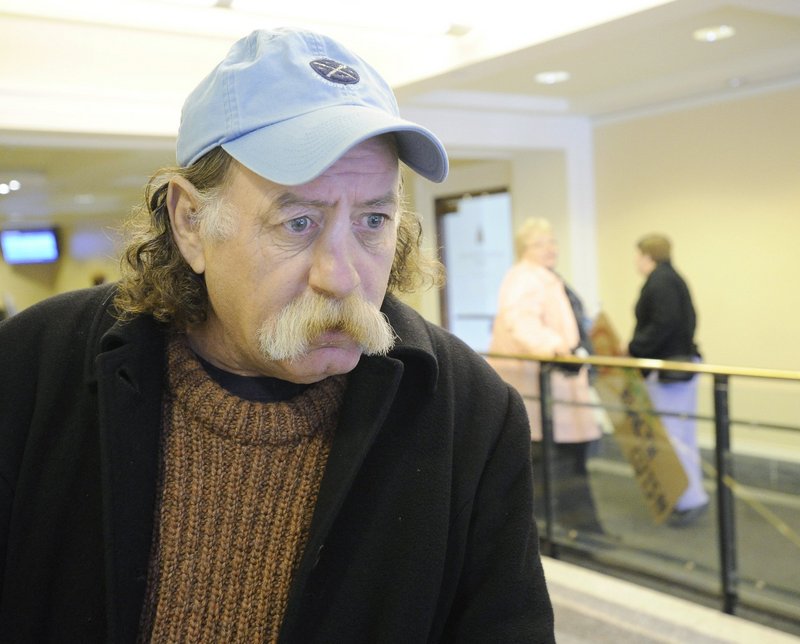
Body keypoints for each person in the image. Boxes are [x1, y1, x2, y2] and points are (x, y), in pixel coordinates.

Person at [0, 28, 554, 642]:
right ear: (190, 222)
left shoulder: (470, 412)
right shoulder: (34, 367)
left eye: (373, 220)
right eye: (298, 222)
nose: (341, 276)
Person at [488, 218, 605, 540]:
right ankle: (567, 532)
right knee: (553, 464)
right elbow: (521, 322)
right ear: (525, 249)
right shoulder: (525, 279)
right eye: (540, 244)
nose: (550, 248)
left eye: (551, 242)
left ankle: (580, 529)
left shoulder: (544, 278)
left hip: (554, 388)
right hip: (540, 388)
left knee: (566, 462)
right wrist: (555, 348)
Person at [627, 233, 708, 527]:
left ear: (647, 255)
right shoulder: (675, 278)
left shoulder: (660, 282)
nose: (636, 261)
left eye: (638, 255)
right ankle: (690, 495)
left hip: (668, 371)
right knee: (682, 434)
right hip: (682, 364)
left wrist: (635, 350)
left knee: (673, 438)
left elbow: (662, 323)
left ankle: (688, 499)